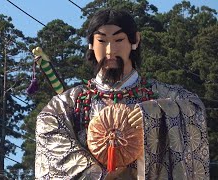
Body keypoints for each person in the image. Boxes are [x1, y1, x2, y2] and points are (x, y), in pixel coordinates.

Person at [35, 8, 209, 179]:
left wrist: (155, 115)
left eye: (118, 40)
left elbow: (194, 109)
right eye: (102, 41)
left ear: (135, 40)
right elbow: (48, 127)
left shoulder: (162, 95)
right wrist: (95, 174)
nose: (110, 50)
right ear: (91, 44)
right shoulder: (70, 103)